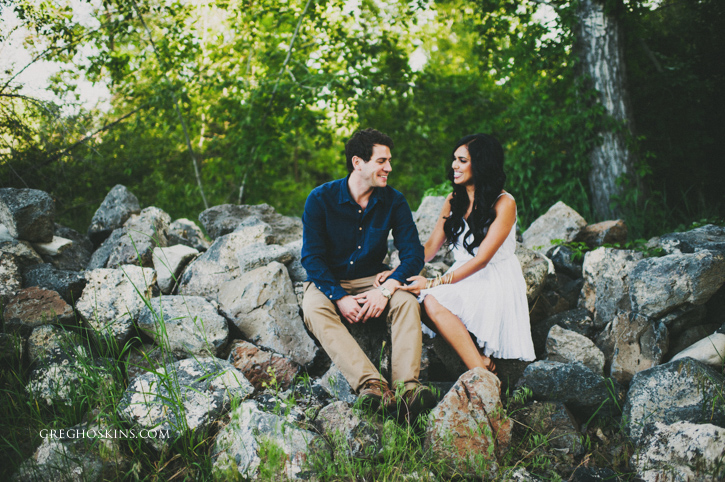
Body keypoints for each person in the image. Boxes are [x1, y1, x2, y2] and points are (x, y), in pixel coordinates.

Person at [301, 128, 436, 415]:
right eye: (381, 161)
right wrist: (339, 297)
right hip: (331, 279)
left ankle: (407, 391)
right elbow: (311, 258)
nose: (389, 168)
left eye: (389, 161)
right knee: (313, 308)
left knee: (406, 301)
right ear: (357, 163)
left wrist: (387, 289)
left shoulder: (394, 201)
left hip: (374, 278)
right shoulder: (320, 199)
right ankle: (372, 385)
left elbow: (413, 254)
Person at [378, 133, 535, 372]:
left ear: (481, 164)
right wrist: (398, 272)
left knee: (430, 298)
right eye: (454, 159)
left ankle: (481, 377)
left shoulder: (505, 203)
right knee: (416, 300)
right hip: (462, 274)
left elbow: (482, 260)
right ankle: (480, 361)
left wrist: (432, 282)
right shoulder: (454, 200)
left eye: (462, 160)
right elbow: (429, 248)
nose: (454, 165)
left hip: (493, 278)